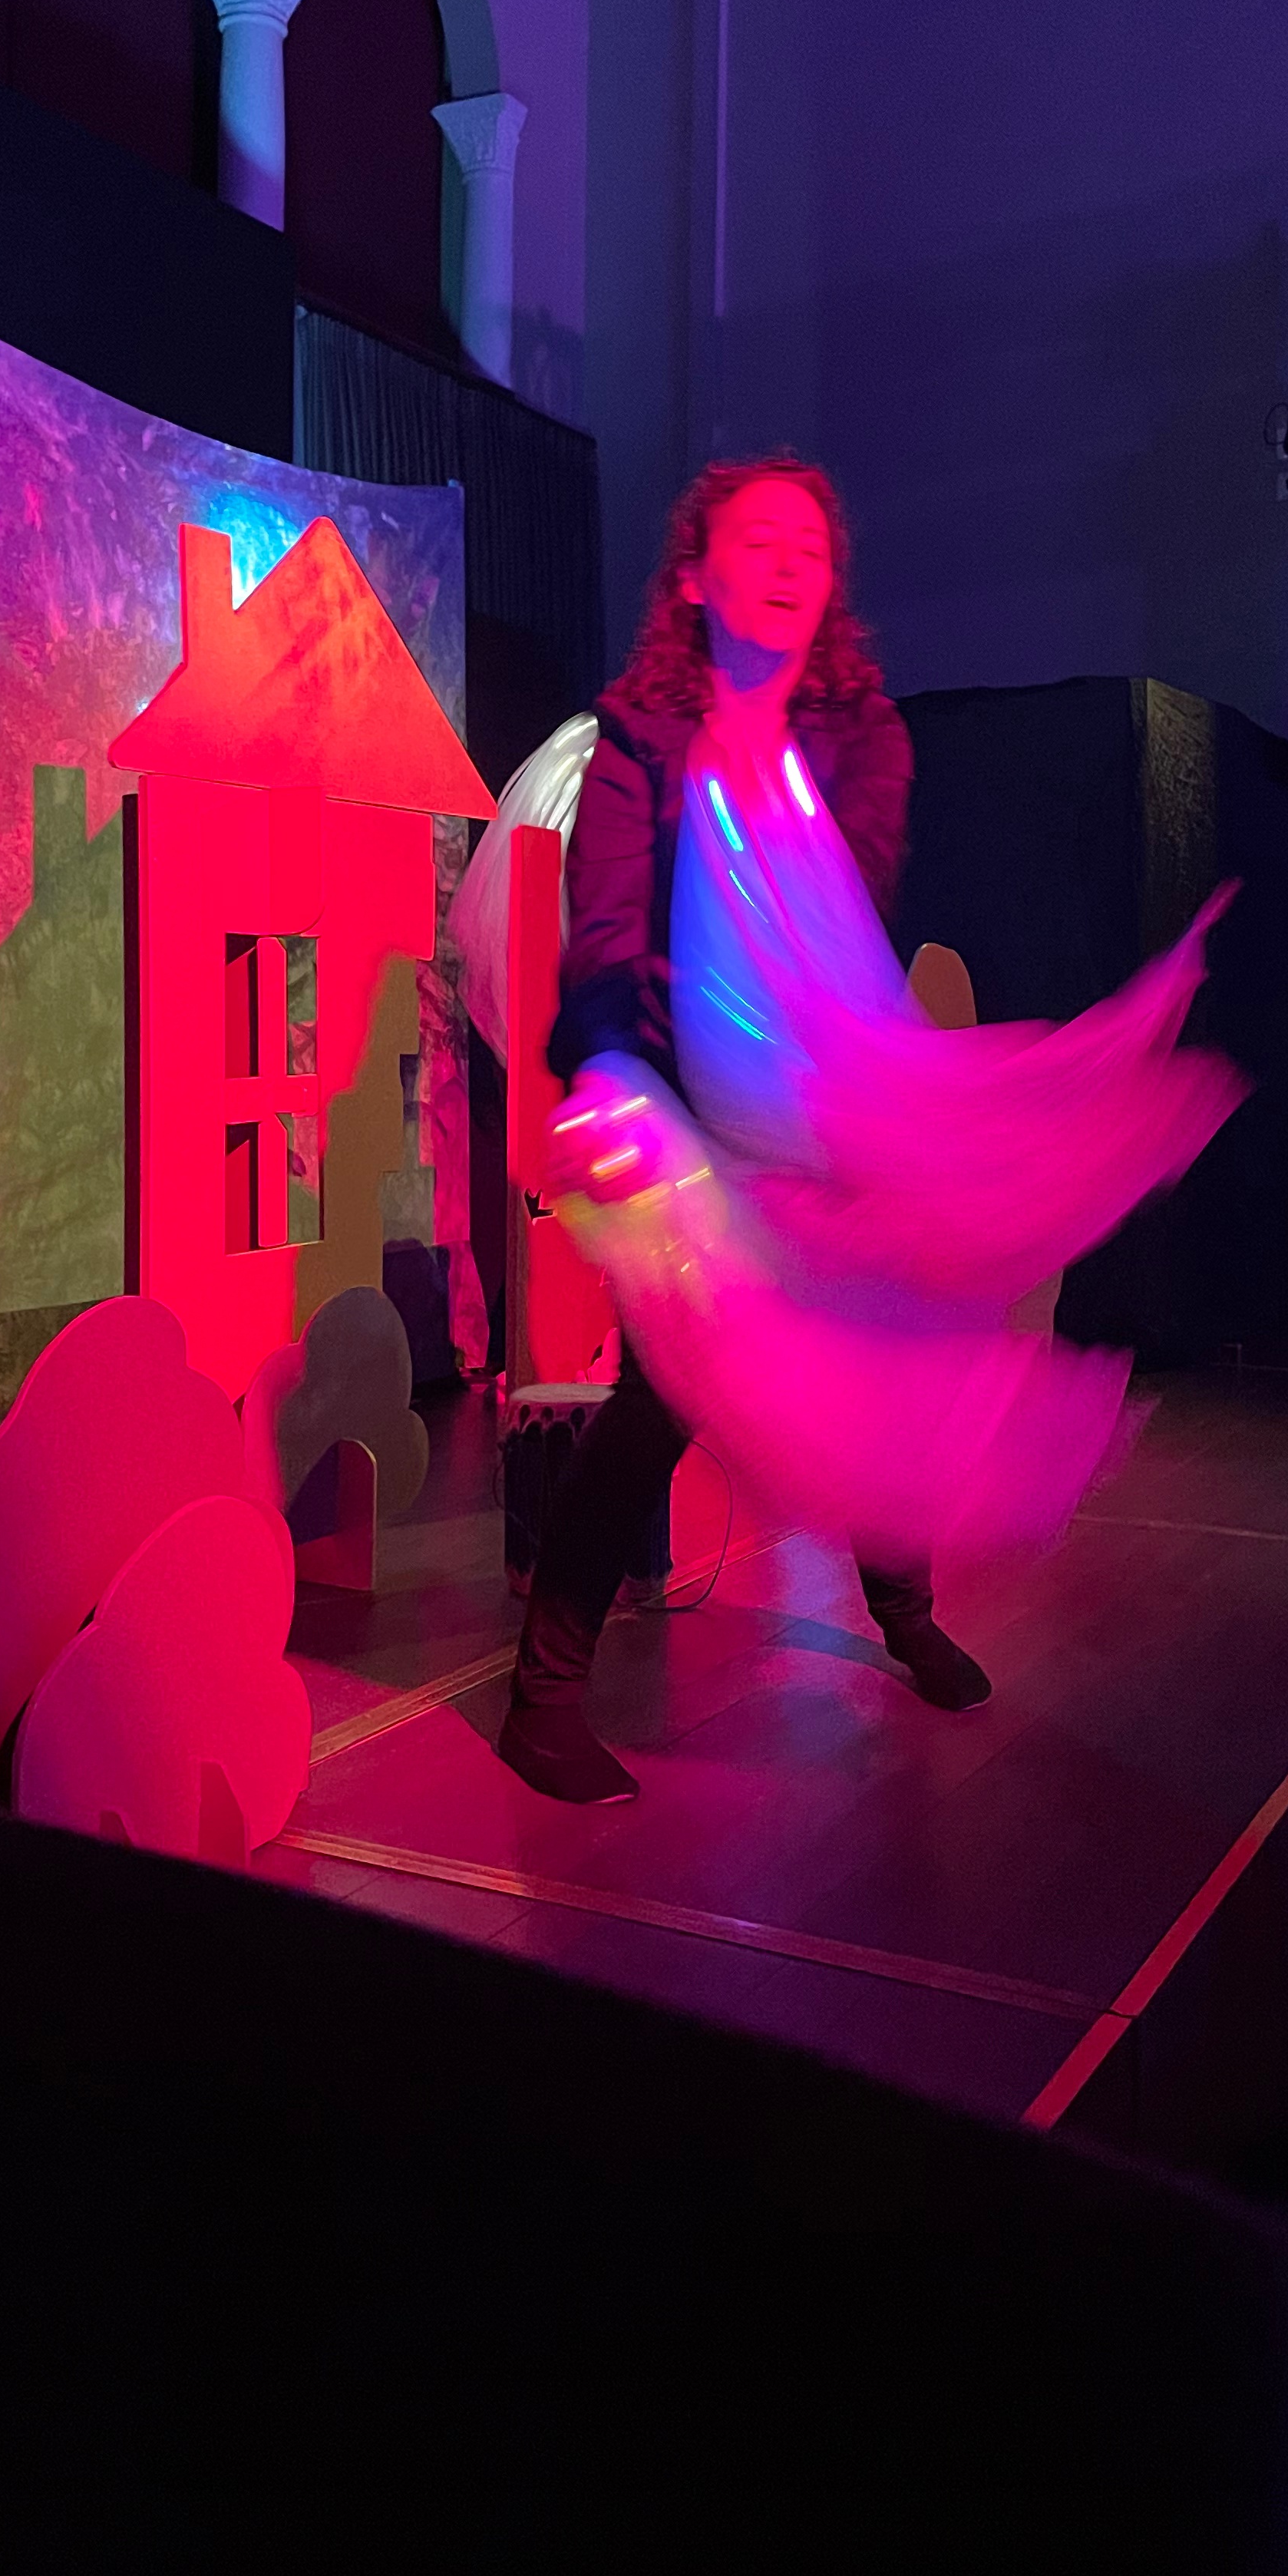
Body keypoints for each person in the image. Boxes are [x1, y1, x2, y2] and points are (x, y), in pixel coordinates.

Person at [497, 455, 979, 1805]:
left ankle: (903, 1609)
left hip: (818, 1099)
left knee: (869, 1366)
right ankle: (541, 1696)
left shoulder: (862, 734)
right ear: (695, 577)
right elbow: (604, 931)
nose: (784, 563)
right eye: (755, 540)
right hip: (676, 1101)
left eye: (807, 549)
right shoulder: (636, 736)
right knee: (666, 1395)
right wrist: (612, 1077)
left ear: (829, 589)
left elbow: (842, 913)